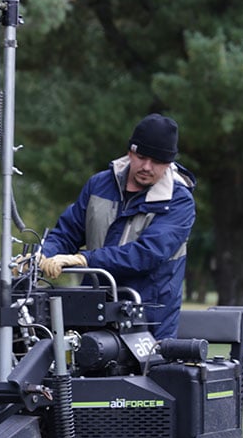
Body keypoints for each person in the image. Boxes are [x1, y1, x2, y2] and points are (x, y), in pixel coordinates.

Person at [38, 113, 197, 339]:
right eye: (141, 157)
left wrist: (85, 259)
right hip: (89, 312)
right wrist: (42, 255)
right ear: (130, 151)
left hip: (149, 319)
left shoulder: (178, 201)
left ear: (169, 163)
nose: (147, 167)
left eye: (158, 162)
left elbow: (147, 253)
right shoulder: (99, 184)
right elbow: (67, 233)